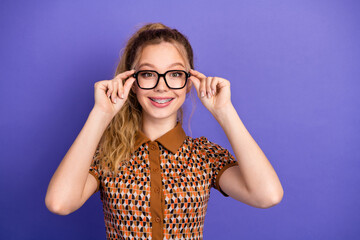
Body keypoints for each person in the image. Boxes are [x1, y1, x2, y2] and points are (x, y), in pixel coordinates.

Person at [45, 22, 283, 240]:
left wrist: (224, 111)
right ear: (132, 82)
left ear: (189, 83)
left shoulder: (205, 155)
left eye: (175, 74)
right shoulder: (107, 155)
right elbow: (59, 203)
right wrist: (101, 113)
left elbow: (267, 195)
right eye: (148, 74)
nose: (161, 86)